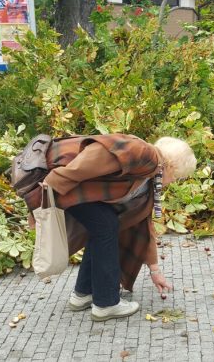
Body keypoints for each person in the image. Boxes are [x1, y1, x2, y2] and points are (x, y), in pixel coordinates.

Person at [26, 134, 196, 322]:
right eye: (179, 176)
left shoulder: (149, 179)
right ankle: (106, 304)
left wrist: (155, 271)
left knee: (104, 227)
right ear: (173, 166)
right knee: (106, 225)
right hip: (62, 185)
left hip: (76, 192)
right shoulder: (145, 154)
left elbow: (144, 226)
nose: (175, 181)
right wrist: (42, 198)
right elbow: (96, 154)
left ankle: (83, 293)